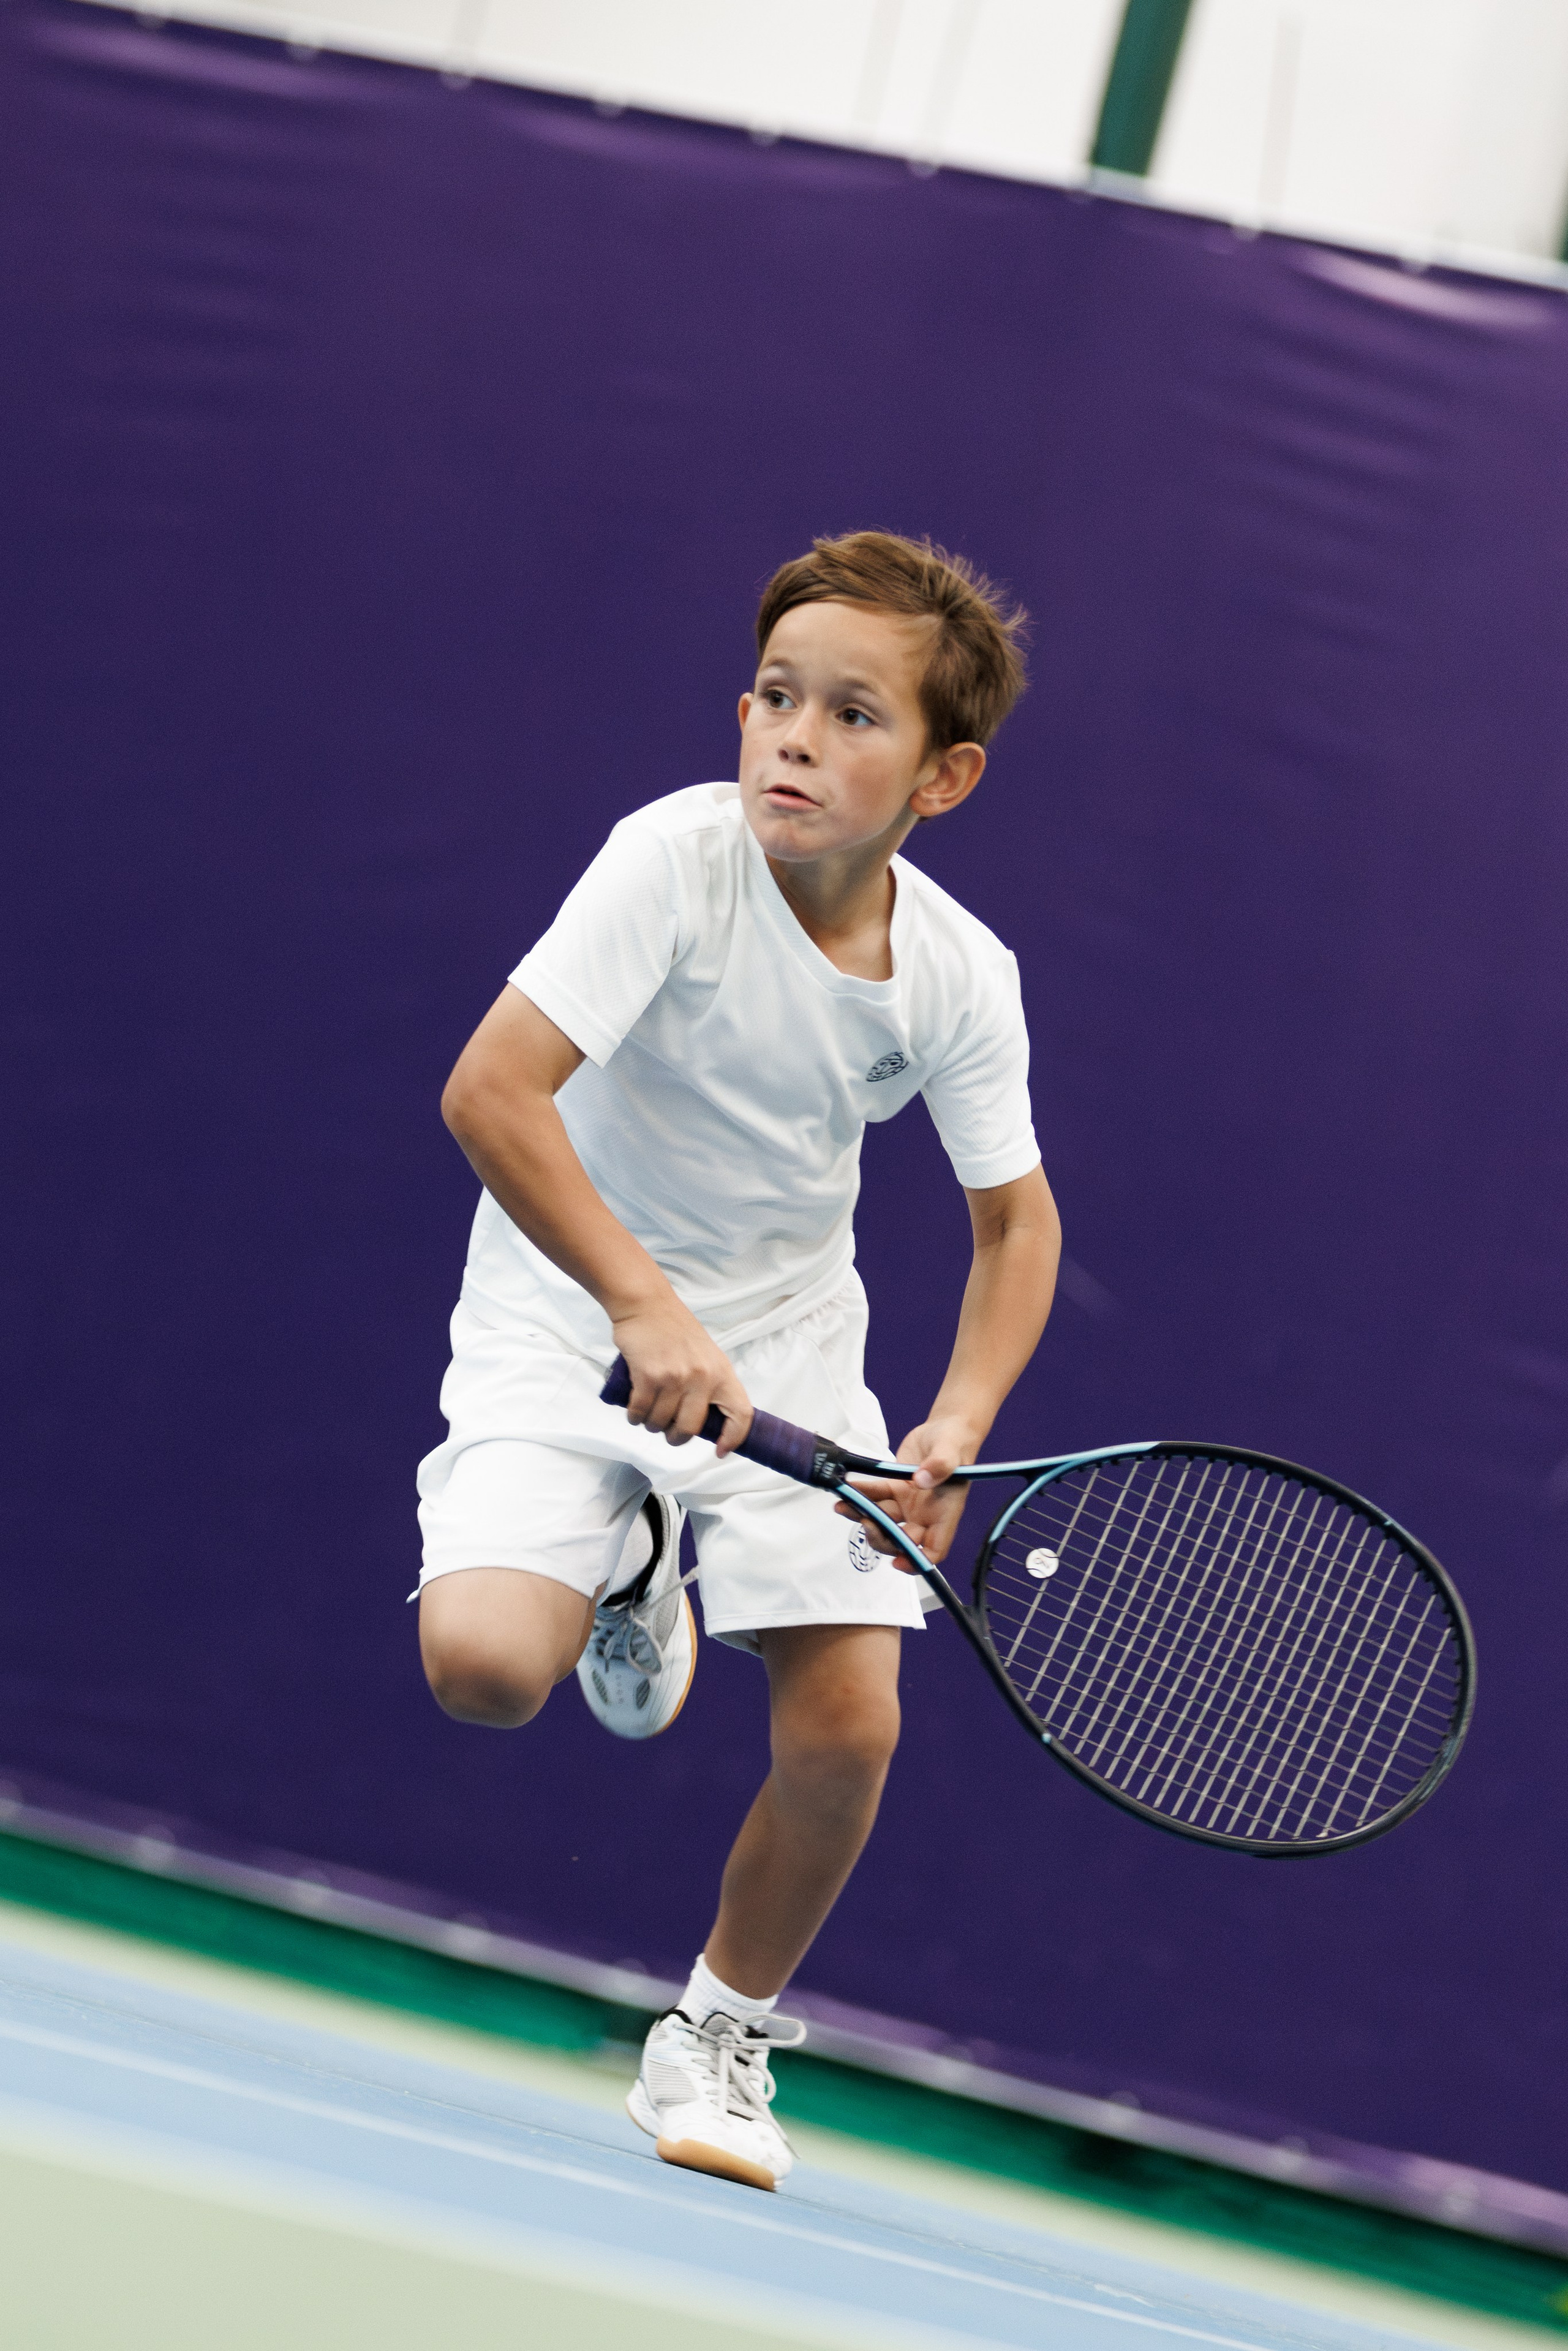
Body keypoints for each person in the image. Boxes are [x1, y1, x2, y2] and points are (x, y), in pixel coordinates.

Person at [417, 530, 1060, 2192]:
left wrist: (956, 1422)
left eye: (855, 715)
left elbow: (1017, 1229)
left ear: (946, 776)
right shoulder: (671, 865)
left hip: (785, 1338)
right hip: (570, 1305)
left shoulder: (960, 979)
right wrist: (637, 1304)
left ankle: (717, 2033)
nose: (794, 736)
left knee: (850, 1725)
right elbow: (493, 1096)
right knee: (484, 1669)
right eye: (778, 697)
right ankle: (634, 1553)